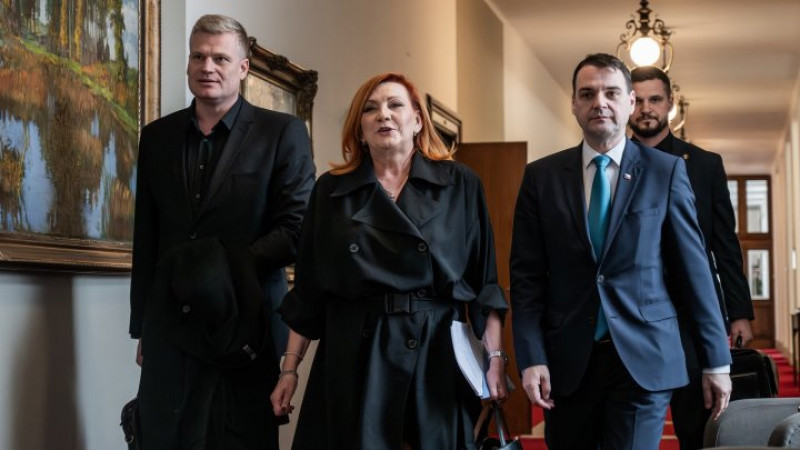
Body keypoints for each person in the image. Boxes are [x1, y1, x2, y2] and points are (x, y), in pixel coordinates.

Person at [269, 72, 509, 449]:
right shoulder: (332, 190)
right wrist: (289, 370)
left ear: (417, 121)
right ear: (360, 129)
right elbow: (310, 294)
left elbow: (485, 286)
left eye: (395, 105)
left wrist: (495, 360)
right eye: (370, 109)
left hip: (434, 350)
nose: (383, 114)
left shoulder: (460, 184)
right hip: (354, 350)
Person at [509, 53, 732, 450]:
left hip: (644, 359)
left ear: (629, 102)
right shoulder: (541, 177)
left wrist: (716, 360)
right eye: (588, 94)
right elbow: (527, 279)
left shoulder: (665, 172)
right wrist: (531, 356)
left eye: (611, 93)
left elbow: (694, 271)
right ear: (574, 104)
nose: (600, 102)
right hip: (567, 362)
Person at [129, 14, 315, 449]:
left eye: (220, 58)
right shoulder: (156, 137)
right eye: (198, 56)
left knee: (238, 439)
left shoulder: (281, 133)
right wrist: (143, 326)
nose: (206, 67)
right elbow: (147, 238)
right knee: (163, 438)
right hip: (170, 324)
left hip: (245, 322)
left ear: (243, 67)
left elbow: (296, 229)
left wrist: (220, 270)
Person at [629, 65, 755, 450]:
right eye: (638, 100)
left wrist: (739, 312)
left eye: (655, 99)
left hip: (692, 314)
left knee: (697, 425)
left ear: (670, 103)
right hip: (631, 313)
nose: (646, 108)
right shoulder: (611, 164)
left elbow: (725, 246)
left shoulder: (704, 165)